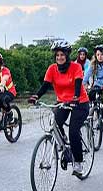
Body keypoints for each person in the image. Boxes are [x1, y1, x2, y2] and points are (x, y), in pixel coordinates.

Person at [28, 40, 90, 178]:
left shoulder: (75, 67)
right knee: (55, 123)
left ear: (67, 55)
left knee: (73, 131)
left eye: (62, 55)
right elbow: (45, 86)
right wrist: (36, 96)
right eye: (57, 55)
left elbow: (78, 84)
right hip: (62, 102)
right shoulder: (52, 69)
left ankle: (78, 163)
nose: (60, 57)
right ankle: (65, 147)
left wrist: (75, 97)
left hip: (79, 103)